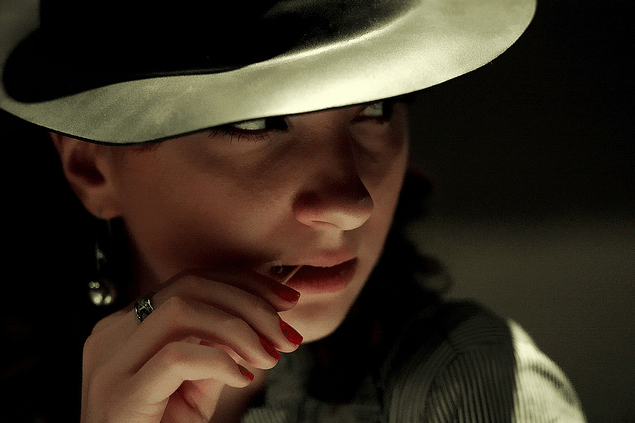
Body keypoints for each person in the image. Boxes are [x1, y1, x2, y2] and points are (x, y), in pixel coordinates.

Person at [0, 0, 587, 422]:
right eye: (256, 122)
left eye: (377, 109)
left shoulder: (466, 385)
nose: (350, 204)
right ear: (92, 167)